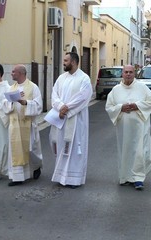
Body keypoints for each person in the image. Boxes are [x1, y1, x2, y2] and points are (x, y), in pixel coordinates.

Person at [49, 52, 93, 189]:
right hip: (61, 118)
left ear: (73, 62)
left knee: (75, 148)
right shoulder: (61, 78)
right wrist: (60, 107)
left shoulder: (84, 79)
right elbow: (54, 94)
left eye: (66, 61)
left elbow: (83, 97)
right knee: (60, 145)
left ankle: (74, 179)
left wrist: (67, 108)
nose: (63, 63)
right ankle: (61, 176)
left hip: (76, 119)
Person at [105, 64, 151, 190]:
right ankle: (125, 177)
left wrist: (137, 106)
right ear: (122, 74)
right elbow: (109, 107)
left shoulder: (142, 87)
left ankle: (138, 178)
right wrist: (120, 108)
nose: (128, 74)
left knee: (140, 152)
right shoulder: (115, 90)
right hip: (123, 128)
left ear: (134, 73)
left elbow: (150, 101)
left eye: (131, 72)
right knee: (125, 151)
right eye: (126, 72)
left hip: (140, 127)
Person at [3, 64, 43, 186]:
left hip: (27, 124)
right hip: (14, 125)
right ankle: (18, 177)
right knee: (15, 150)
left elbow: (39, 105)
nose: (11, 74)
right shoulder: (11, 88)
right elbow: (4, 104)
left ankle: (36, 167)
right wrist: (10, 102)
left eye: (14, 72)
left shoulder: (33, 87)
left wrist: (25, 102)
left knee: (32, 150)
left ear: (21, 73)